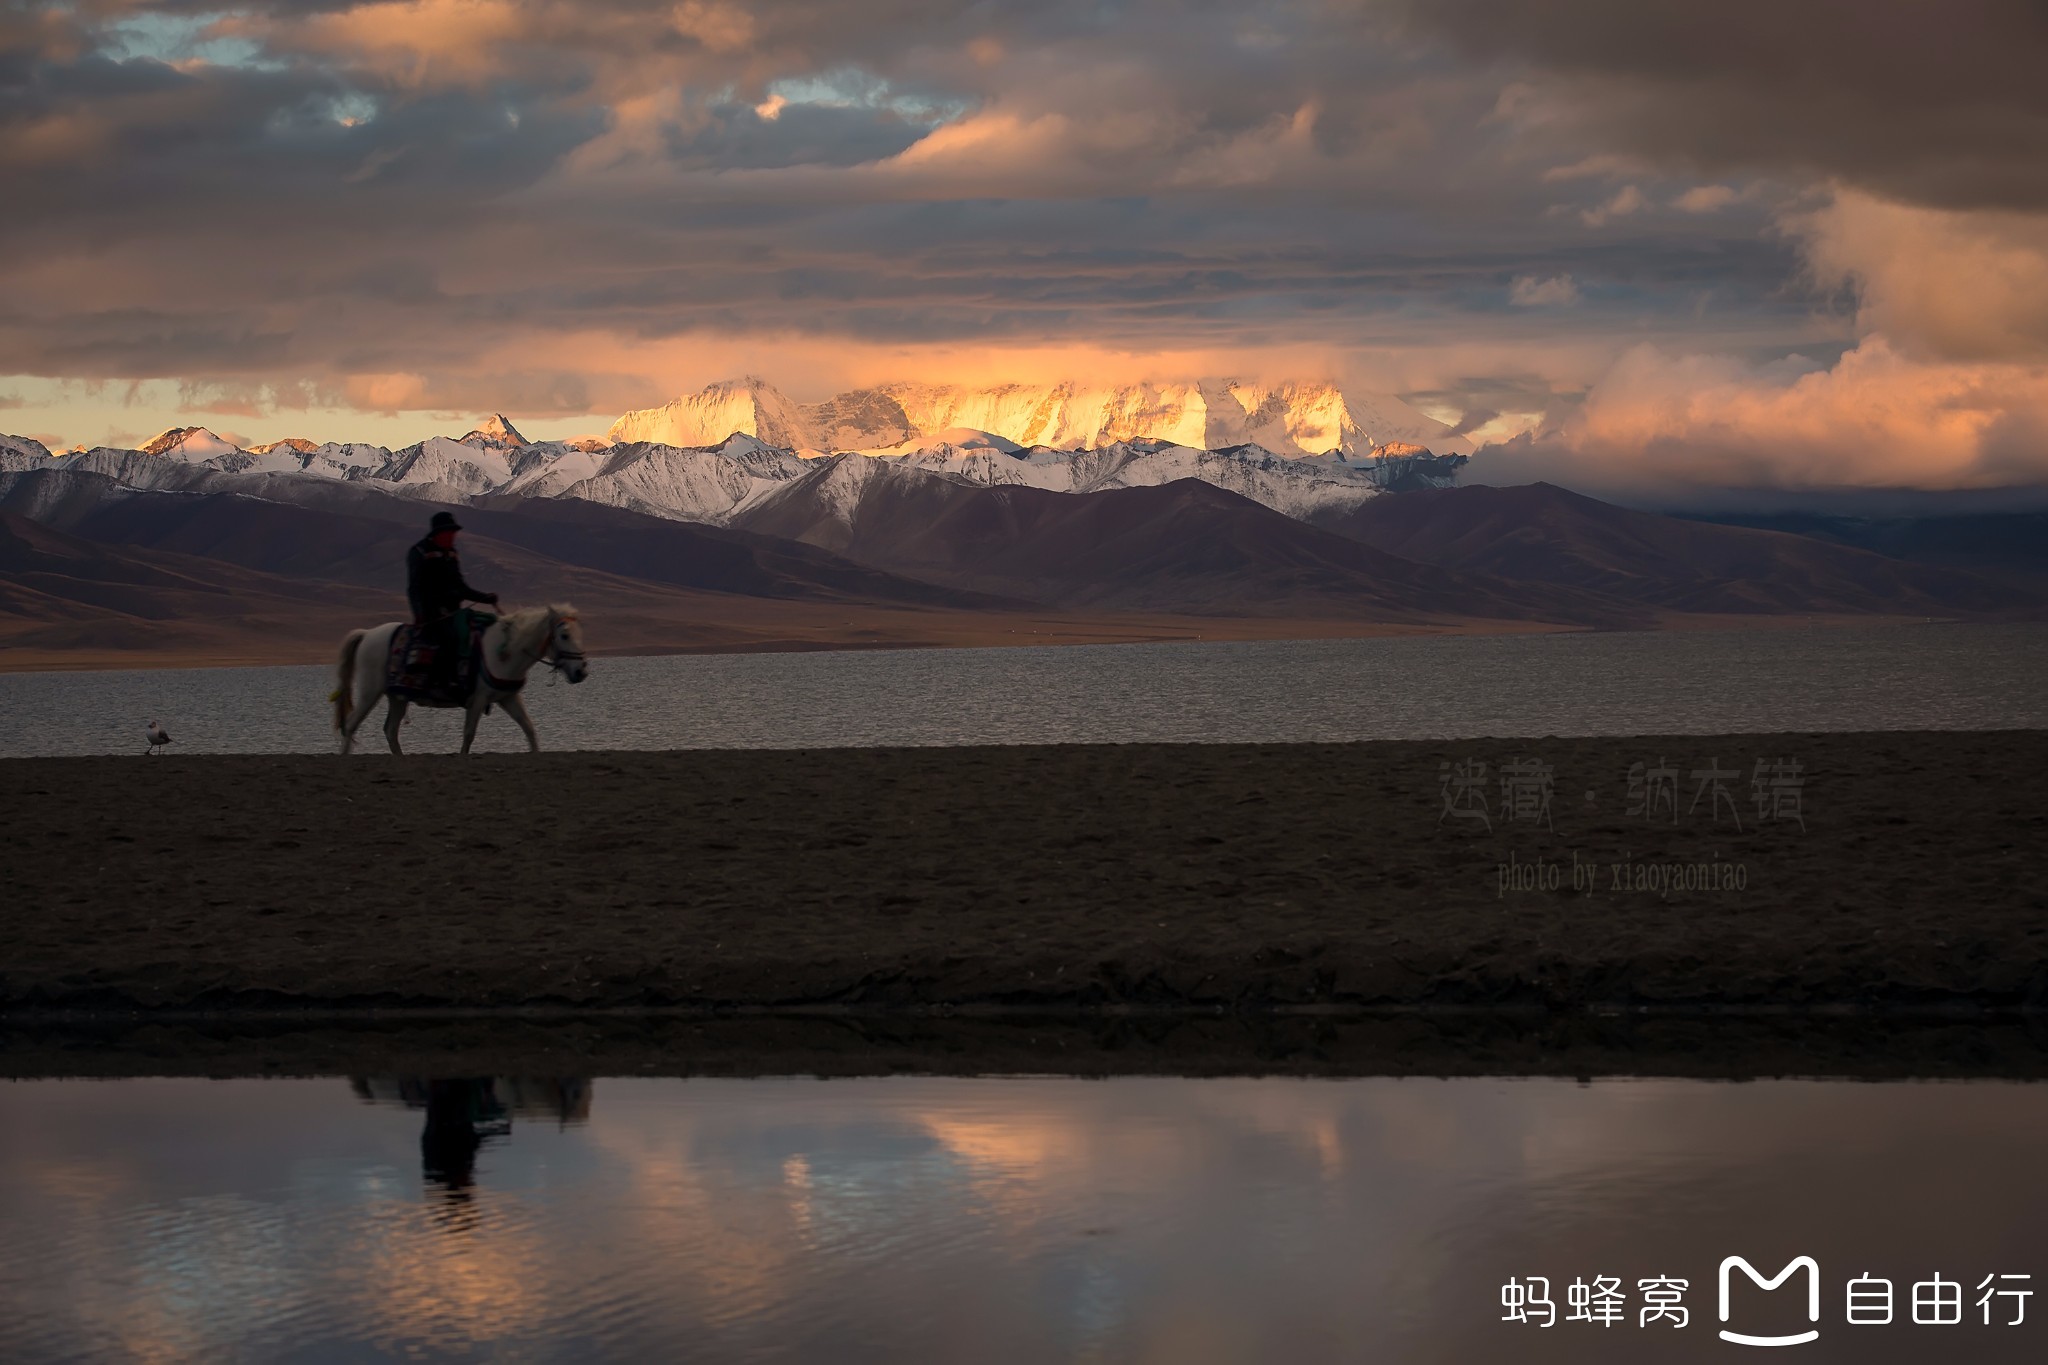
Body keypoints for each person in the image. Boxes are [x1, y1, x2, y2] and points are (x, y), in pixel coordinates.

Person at [406, 511, 498, 693]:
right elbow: (415, 589)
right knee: (450, 638)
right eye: (449, 533)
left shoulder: (452, 554)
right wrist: (420, 615)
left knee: (484, 628)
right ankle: (438, 682)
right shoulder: (420, 552)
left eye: (453, 533)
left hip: (453, 611)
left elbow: (461, 587)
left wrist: (485, 598)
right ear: (438, 534)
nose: (452, 536)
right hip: (431, 613)